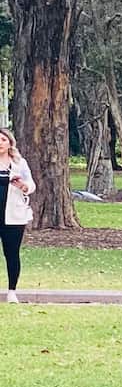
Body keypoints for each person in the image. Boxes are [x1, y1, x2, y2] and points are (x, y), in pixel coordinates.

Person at [0, 128, 36, 303]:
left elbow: (31, 184)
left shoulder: (19, 163)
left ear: (9, 143)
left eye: (3, 139)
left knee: (12, 253)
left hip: (13, 215)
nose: (0, 143)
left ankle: (12, 291)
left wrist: (23, 186)